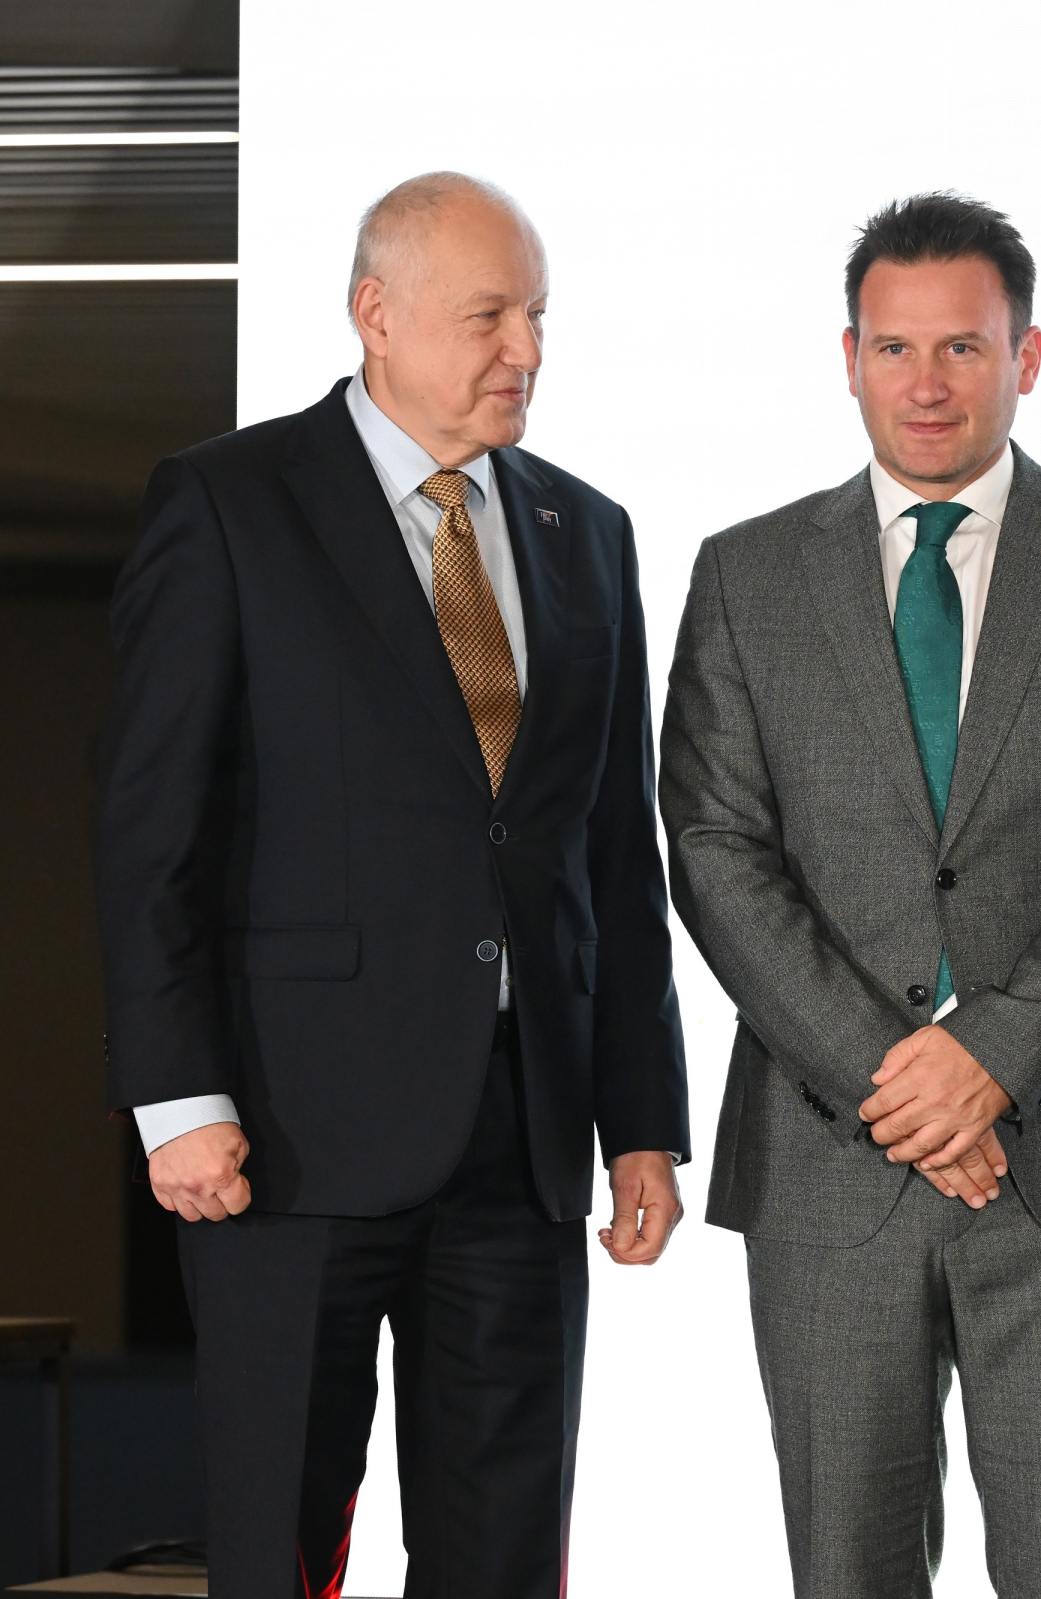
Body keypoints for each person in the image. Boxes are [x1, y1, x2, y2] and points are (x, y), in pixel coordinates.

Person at [94, 172, 689, 1598]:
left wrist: (640, 1123)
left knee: (505, 1556)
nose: (526, 350)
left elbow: (615, 852)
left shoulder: (588, 530)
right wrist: (176, 1098)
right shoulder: (228, 503)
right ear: (375, 313)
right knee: (282, 1542)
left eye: (536, 315)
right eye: (489, 317)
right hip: (284, 1138)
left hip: (521, 1139)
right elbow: (149, 829)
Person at [659, 190, 1041, 1599]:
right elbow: (716, 850)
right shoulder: (744, 574)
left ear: (1026, 357)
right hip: (829, 1160)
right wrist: (898, 1081)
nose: (927, 382)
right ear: (847, 358)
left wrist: (994, 1058)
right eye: (895, 346)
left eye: (963, 347)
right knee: (845, 1573)